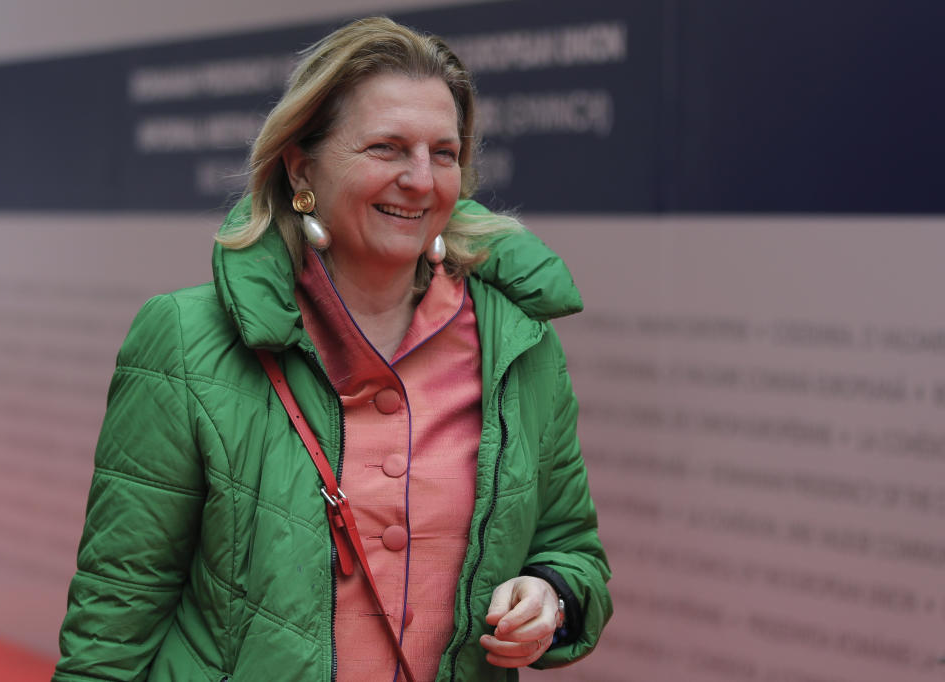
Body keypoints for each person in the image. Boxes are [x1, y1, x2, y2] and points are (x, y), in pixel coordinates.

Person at [54, 16, 611, 682]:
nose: (420, 178)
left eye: (443, 152)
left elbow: (573, 550)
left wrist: (551, 595)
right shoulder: (183, 339)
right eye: (386, 148)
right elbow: (115, 615)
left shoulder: (519, 344)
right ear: (301, 165)